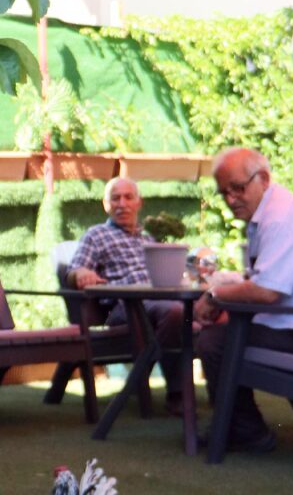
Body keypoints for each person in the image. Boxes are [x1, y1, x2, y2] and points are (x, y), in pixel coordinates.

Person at [194, 148, 293, 452]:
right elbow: (266, 280)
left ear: (264, 179)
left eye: (238, 188)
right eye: (224, 192)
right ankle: (236, 424)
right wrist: (228, 288)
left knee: (214, 341)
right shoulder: (276, 211)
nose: (231, 199)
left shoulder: (280, 216)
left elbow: (267, 291)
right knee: (225, 331)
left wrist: (215, 296)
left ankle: (246, 431)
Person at [67, 177, 186, 415]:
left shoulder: (148, 238)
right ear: (106, 204)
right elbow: (74, 270)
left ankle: (224, 395)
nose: (122, 204)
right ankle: (178, 395)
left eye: (128, 197)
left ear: (139, 203)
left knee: (213, 306)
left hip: (158, 303)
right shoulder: (96, 235)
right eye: (115, 198)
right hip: (125, 308)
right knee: (175, 312)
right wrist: (81, 274)